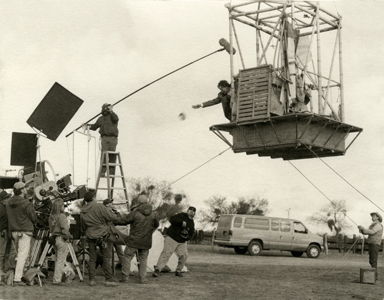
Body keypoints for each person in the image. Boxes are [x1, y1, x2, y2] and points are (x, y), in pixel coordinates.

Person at [114, 194, 159, 284]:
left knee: (127, 258)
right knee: (143, 259)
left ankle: (125, 278)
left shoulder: (135, 212)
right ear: (147, 201)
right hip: (146, 241)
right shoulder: (153, 214)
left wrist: (114, 220)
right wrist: (150, 233)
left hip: (133, 241)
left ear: (139, 202)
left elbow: (124, 221)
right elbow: (156, 225)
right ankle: (143, 279)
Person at [80, 191, 120, 287]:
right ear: (94, 197)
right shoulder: (99, 206)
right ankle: (109, 279)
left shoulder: (83, 210)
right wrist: (117, 214)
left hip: (90, 235)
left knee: (92, 259)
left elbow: (82, 227)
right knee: (106, 258)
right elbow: (111, 217)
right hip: (102, 235)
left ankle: (92, 279)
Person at [6, 182, 37, 286]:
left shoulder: (8, 202)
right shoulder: (26, 203)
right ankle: (17, 278)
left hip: (14, 231)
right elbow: (34, 218)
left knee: (15, 254)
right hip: (25, 231)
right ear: (22, 190)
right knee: (22, 255)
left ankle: (13, 274)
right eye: (25, 188)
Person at [152, 206, 196, 278]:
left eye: (193, 211)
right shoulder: (181, 215)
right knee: (166, 253)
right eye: (190, 210)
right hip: (172, 237)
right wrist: (181, 222)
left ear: (194, 213)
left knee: (184, 255)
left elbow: (191, 234)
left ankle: (179, 270)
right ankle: (157, 270)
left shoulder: (192, 223)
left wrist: (187, 237)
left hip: (182, 241)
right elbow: (171, 219)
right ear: (187, 211)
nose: (191, 211)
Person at [87, 103, 119, 176]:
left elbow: (116, 119)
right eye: (106, 108)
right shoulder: (101, 118)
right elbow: (95, 126)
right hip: (104, 138)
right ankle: (102, 172)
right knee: (103, 155)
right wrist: (87, 126)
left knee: (112, 155)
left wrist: (111, 111)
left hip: (113, 138)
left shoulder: (113, 116)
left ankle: (111, 172)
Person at [102, 198, 127, 283]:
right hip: (108, 235)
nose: (112, 204)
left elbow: (117, 221)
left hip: (114, 234)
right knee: (108, 255)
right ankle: (108, 273)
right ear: (107, 204)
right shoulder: (104, 212)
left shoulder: (112, 212)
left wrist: (117, 213)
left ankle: (125, 271)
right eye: (110, 203)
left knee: (120, 252)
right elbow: (115, 220)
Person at [49, 198, 72, 286]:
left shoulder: (51, 216)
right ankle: (57, 279)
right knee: (61, 260)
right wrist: (68, 236)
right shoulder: (62, 216)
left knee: (57, 259)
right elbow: (65, 228)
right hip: (61, 238)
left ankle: (57, 278)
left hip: (54, 238)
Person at [358, 212, 383, 281]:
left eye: (373, 216)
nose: (372, 217)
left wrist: (363, 228)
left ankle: (374, 276)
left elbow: (372, 232)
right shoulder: (373, 225)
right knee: (371, 260)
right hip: (372, 244)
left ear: (378, 217)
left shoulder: (378, 225)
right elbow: (367, 232)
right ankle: (374, 275)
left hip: (375, 244)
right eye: (372, 216)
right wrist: (362, 230)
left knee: (373, 260)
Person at [0, 191, 16, 280]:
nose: (9, 199)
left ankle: (4, 269)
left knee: (5, 252)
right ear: (4, 200)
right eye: (7, 198)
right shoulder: (3, 208)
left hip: (6, 232)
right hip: (4, 232)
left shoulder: (4, 207)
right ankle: (2, 269)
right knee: (3, 252)